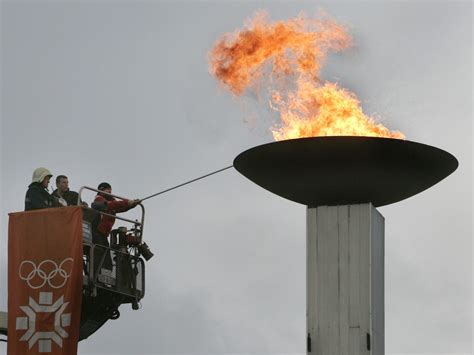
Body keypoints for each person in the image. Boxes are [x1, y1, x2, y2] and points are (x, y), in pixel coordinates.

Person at [91, 182, 140, 272]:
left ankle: (106, 274)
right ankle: (98, 274)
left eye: (110, 189)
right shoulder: (99, 200)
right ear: (101, 190)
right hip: (97, 232)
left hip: (103, 234)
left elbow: (119, 207)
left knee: (105, 255)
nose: (110, 191)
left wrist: (132, 205)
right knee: (99, 254)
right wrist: (128, 202)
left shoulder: (111, 202)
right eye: (107, 189)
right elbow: (112, 205)